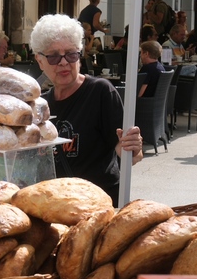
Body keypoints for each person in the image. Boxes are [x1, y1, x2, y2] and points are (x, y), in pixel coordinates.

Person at [29, 14, 143, 206]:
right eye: (54, 56)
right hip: (56, 207)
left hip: (100, 205)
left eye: (71, 54)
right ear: (40, 61)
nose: (64, 62)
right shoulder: (40, 106)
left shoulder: (100, 92)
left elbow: (129, 156)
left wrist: (132, 147)